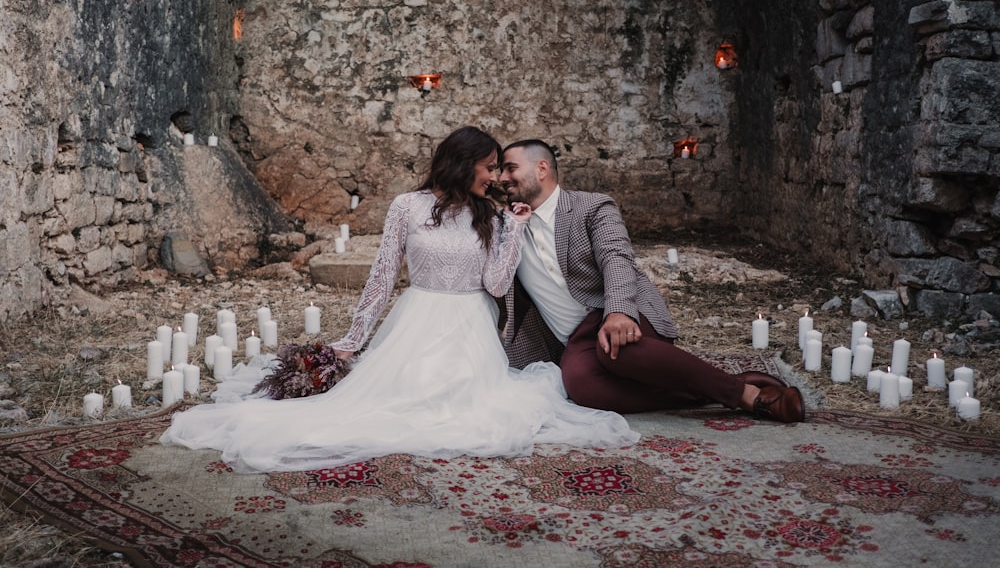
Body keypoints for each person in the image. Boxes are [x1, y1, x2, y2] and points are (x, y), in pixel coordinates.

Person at [160, 126, 639, 472]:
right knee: (390, 403)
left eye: (498, 169)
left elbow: (496, 286)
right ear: (462, 161)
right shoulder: (407, 207)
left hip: (470, 324)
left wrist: (512, 231)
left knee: (462, 410)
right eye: (489, 167)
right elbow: (383, 276)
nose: (495, 178)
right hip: (418, 317)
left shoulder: (493, 216)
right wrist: (352, 340)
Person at [498, 139, 805, 423]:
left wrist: (618, 311)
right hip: (576, 339)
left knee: (616, 349)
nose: (501, 178)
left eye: (510, 168)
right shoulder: (505, 226)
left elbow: (616, 257)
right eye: (498, 171)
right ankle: (722, 384)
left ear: (542, 169)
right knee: (579, 386)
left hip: (621, 311)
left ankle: (748, 397)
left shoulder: (591, 207)